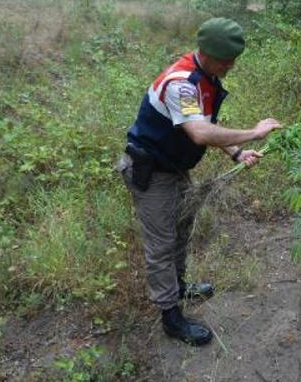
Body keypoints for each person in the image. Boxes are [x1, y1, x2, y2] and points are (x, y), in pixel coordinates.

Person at [118, 18, 281, 346]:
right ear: (206, 53)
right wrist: (253, 132)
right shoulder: (182, 83)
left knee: (181, 230)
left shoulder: (205, 76)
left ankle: (178, 288)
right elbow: (199, 132)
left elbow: (205, 123)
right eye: (226, 60)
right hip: (151, 172)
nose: (232, 65)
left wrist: (237, 153)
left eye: (234, 59)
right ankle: (171, 316)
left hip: (174, 168)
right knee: (162, 244)